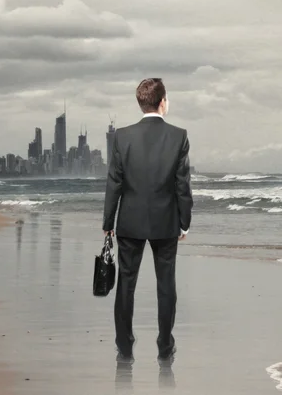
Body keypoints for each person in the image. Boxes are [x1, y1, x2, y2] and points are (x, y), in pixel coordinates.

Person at [103, 78, 193, 362]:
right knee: (166, 284)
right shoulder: (178, 136)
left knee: (126, 283)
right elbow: (183, 186)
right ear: (162, 101)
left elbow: (114, 183)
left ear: (141, 102)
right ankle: (165, 346)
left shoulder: (122, 136)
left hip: (129, 221)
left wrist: (108, 222)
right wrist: (185, 222)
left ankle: (125, 345)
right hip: (166, 222)